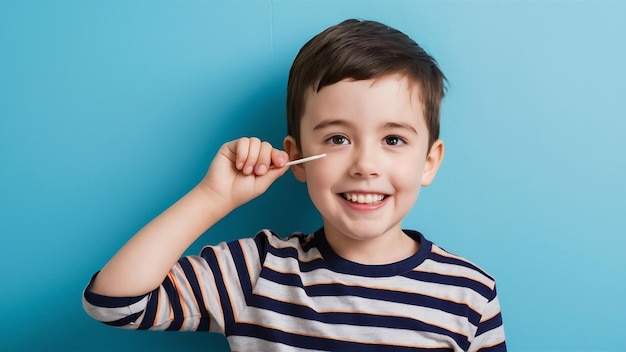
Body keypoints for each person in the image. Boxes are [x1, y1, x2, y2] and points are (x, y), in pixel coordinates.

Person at [83, 19, 506, 351]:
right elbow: (113, 304)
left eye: (393, 139)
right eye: (338, 139)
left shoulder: (469, 293)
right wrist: (213, 198)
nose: (365, 165)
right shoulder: (256, 273)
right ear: (297, 155)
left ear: (429, 162)